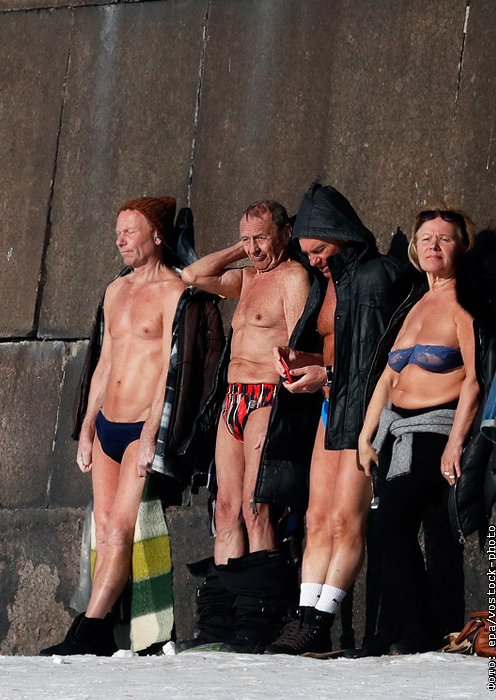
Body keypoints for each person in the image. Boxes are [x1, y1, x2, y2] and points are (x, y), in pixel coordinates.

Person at [265, 182, 412, 655]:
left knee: (346, 519)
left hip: (363, 411)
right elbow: (336, 348)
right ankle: (305, 616)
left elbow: (377, 360)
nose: (314, 261)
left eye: (320, 251)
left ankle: (320, 618)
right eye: (308, 253)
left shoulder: (373, 278)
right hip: (330, 406)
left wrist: (324, 373)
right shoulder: (329, 284)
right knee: (316, 517)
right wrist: (299, 360)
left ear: (343, 236)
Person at [41, 197, 187, 656]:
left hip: (141, 423)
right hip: (107, 423)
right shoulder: (115, 290)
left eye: (130, 231)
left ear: (157, 236)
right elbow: (104, 363)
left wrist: (152, 435)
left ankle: (88, 628)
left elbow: (170, 369)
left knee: (121, 530)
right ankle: (101, 630)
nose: (120, 240)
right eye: (118, 232)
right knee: (104, 531)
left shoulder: (173, 291)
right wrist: (87, 427)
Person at [179, 201, 311, 652]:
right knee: (225, 509)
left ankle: (260, 618)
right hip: (232, 398)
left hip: (268, 397)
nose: (254, 249)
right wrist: (243, 248)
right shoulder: (248, 278)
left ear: (286, 234)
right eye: (247, 239)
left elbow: (302, 345)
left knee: (258, 508)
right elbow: (192, 275)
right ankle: (220, 624)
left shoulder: (292, 277)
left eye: (262, 238)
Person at [355, 206, 486, 654]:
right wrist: (366, 435)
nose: (434, 245)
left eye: (444, 238)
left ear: (461, 247)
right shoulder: (415, 304)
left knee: (391, 523)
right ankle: (392, 633)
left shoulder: (465, 304)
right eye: (426, 237)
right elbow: (388, 377)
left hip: (437, 428)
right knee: (398, 529)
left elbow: (475, 379)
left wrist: (456, 443)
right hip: (396, 431)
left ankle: (420, 630)